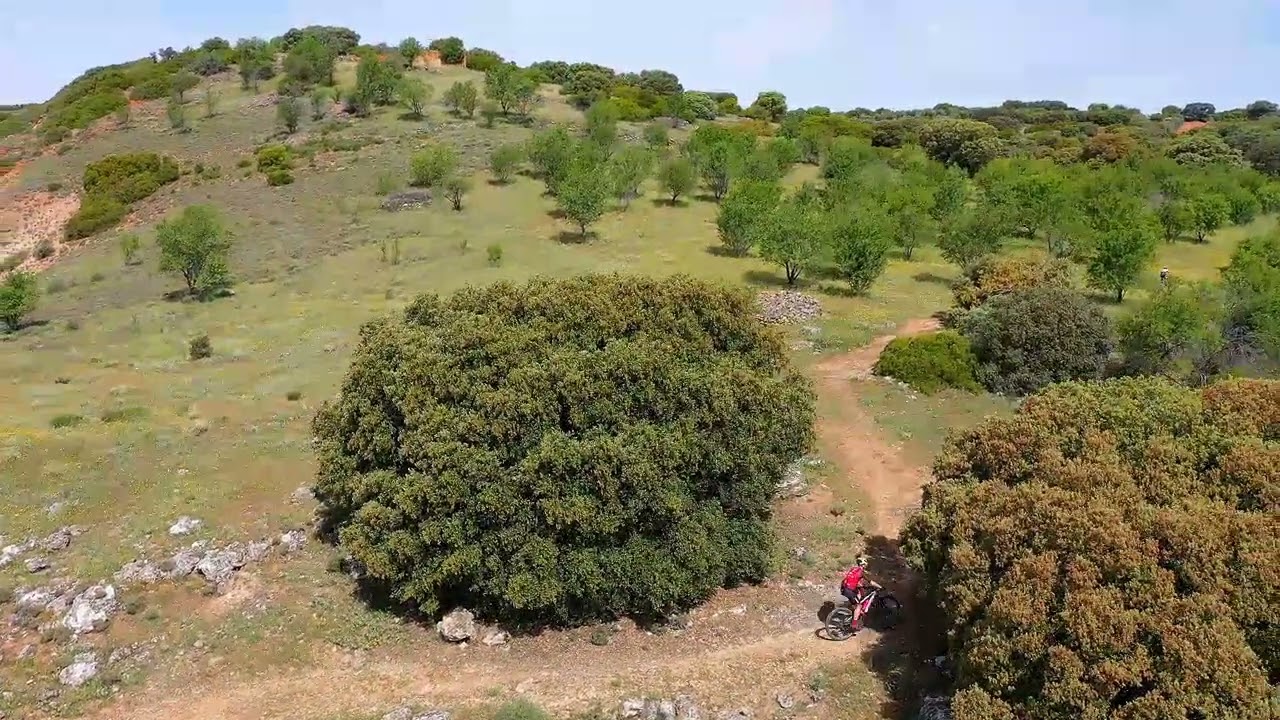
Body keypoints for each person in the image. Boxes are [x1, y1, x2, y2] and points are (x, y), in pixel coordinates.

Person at [840, 556, 882, 630]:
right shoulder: (861, 572)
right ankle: (854, 624)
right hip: (849, 590)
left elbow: (855, 581)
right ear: (863, 565)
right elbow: (871, 582)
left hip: (844, 588)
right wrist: (880, 587)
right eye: (865, 565)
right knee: (859, 605)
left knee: (859, 597)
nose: (865, 566)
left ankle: (854, 613)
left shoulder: (853, 569)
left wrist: (861, 586)